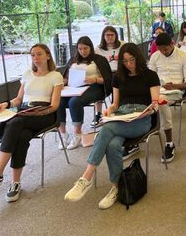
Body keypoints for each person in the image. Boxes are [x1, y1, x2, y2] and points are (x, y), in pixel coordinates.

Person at [64, 43, 161, 209]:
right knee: (113, 144)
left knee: (106, 129)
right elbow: (115, 104)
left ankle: (86, 178)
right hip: (122, 116)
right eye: (124, 61)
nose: (129, 64)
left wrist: (148, 110)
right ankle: (116, 187)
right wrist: (109, 110)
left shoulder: (151, 76)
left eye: (132, 60)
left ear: (138, 58)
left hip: (142, 119)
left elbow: (155, 104)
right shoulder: (118, 77)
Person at [0, 44, 63, 202]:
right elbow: (18, 100)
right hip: (25, 112)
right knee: (22, 135)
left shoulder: (55, 76)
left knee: (15, 122)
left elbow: (55, 105)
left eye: (39, 54)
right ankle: (15, 183)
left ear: (48, 56)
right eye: (32, 55)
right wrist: (7, 105)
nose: (35, 58)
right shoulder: (27, 74)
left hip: (45, 113)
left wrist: (39, 112)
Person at [58, 36, 112, 150]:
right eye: (80, 49)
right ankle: (63, 134)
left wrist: (95, 79)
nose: (82, 51)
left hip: (95, 87)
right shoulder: (73, 60)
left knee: (74, 102)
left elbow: (108, 79)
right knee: (58, 101)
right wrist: (63, 82)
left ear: (91, 48)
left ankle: (77, 134)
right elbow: (66, 77)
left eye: (85, 48)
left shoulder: (99, 59)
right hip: (74, 88)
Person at [149, 33, 186, 163]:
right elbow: (150, 78)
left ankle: (169, 143)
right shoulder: (155, 57)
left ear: (172, 44)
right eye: (160, 49)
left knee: (160, 102)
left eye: (166, 49)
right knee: (142, 98)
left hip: (176, 91)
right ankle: (136, 136)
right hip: (158, 90)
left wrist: (175, 86)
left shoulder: (184, 56)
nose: (163, 52)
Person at [92, 26, 125, 128]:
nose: (110, 37)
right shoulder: (98, 49)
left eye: (112, 35)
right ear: (103, 36)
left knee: (120, 85)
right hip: (105, 74)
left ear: (116, 35)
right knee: (98, 86)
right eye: (107, 35)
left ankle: (116, 109)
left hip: (120, 73)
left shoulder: (123, 45)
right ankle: (98, 113)